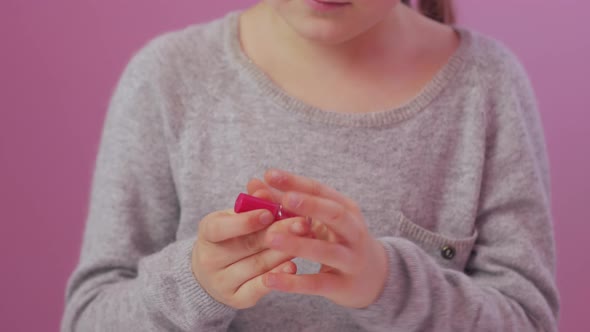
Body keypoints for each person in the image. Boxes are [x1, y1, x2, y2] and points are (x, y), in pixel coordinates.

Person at [61, 0, 559, 331]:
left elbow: (527, 319)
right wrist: (194, 283)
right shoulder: (167, 78)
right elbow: (90, 317)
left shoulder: (486, 85)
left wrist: (389, 283)